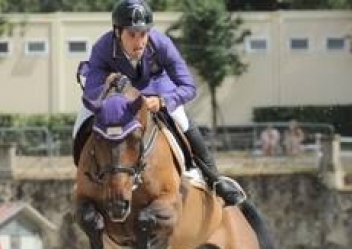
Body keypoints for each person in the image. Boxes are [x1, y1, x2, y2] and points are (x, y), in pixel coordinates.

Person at [73, 0, 245, 206]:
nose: (139, 42)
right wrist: (112, 86)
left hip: (156, 89)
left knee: (181, 119)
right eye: (132, 34)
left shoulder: (161, 43)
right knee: (82, 119)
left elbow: (188, 86)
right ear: (118, 32)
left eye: (143, 33)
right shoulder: (102, 47)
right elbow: (91, 92)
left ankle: (214, 178)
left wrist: (164, 101)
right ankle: (84, 173)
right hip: (116, 95)